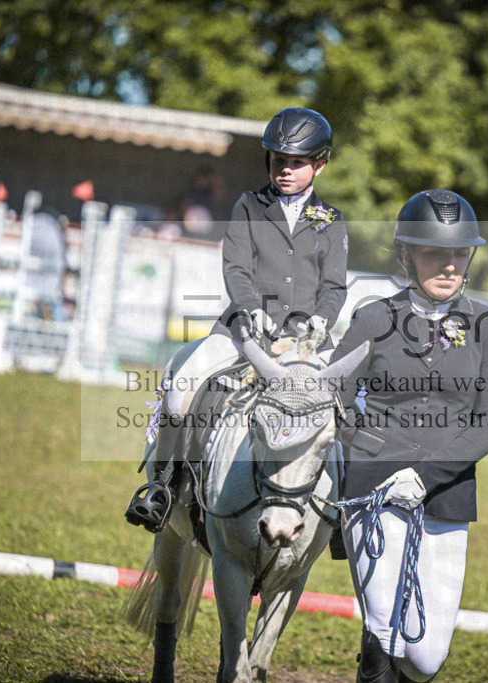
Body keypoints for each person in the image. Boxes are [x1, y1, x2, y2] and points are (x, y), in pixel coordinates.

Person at [125, 106, 349, 532]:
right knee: (181, 390)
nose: (284, 169)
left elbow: (334, 287)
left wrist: (323, 318)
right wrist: (252, 308)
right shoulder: (250, 205)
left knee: (348, 407)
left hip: (305, 340)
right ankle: (162, 488)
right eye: (278, 159)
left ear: (320, 164)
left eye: (296, 162)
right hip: (242, 330)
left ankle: (339, 512)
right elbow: (236, 269)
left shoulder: (330, 221)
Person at [329, 190, 488, 682]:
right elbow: (335, 399)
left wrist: (426, 475)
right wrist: (366, 457)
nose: (450, 265)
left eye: (459, 253)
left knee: (426, 657)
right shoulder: (372, 319)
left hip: (447, 494)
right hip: (375, 492)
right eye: (436, 253)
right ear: (406, 254)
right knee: (384, 629)